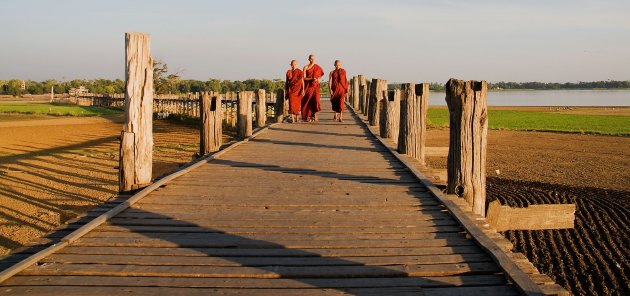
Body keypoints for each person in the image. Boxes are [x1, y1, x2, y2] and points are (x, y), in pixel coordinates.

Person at [301, 54, 324, 122]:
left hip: (315, 86)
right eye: (311, 59)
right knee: (308, 101)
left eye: (313, 59)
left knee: (316, 100)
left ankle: (314, 114)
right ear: (309, 59)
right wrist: (311, 79)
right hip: (308, 86)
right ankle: (308, 116)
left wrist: (318, 79)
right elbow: (303, 78)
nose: (312, 60)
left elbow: (320, 75)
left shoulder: (317, 67)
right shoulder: (306, 67)